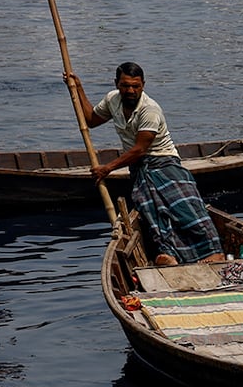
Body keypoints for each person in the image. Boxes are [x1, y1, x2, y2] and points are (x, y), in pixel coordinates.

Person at [69, 61, 224, 267]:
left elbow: (140, 149)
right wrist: (77, 87)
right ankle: (169, 254)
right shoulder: (112, 100)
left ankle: (213, 252)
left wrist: (107, 168)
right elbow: (91, 119)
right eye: (125, 85)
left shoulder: (150, 110)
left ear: (143, 85)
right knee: (152, 213)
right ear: (117, 84)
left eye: (136, 86)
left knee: (186, 208)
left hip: (163, 163)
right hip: (139, 167)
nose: (131, 90)